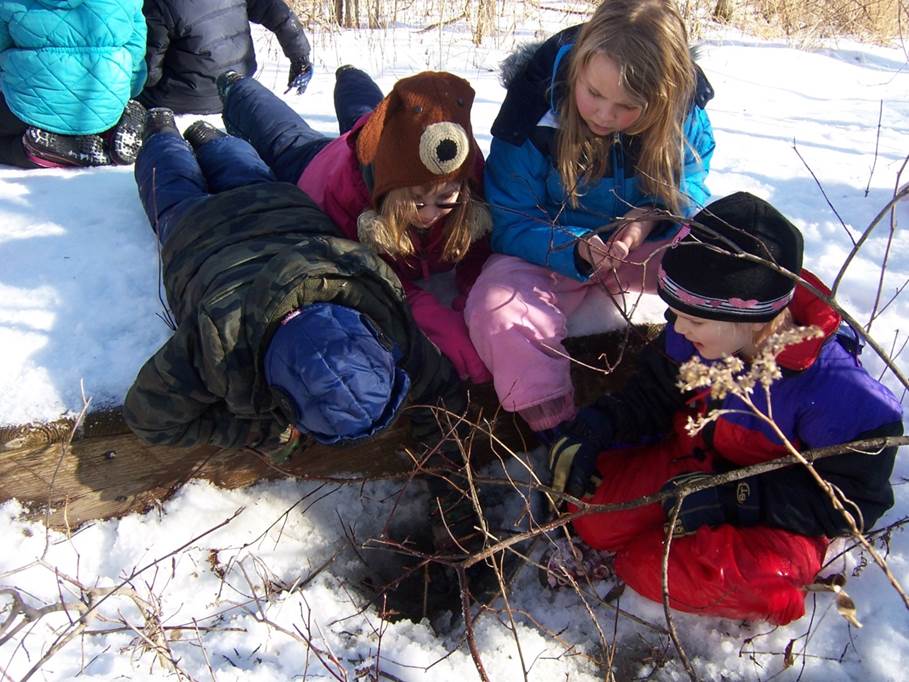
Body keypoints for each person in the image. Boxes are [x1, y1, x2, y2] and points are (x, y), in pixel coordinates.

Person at [543, 191, 903, 625]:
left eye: (691, 319)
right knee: (595, 519)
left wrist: (740, 499)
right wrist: (602, 423)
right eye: (673, 313)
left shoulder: (836, 391)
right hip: (694, 463)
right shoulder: (696, 330)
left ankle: (743, 573)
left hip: (776, 513)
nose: (676, 327)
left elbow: (859, 500)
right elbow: (657, 392)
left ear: (750, 318)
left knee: (668, 570)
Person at [124, 107, 468, 462]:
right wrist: (261, 431)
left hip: (278, 205)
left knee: (242, 169)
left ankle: (207, 139)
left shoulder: (379, 307)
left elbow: (441, 391)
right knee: (171, 185)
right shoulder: (221, 346)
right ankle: (163, 131)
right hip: (198, 230)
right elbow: (148, 419)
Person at [464, 0, 716, 437]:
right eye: (594, 94)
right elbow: (510, 216)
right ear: (578, 67)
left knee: (730, 263)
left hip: (642, 244)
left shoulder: (681, 111)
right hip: (549, 249)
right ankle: (559, 430)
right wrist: (575, 248)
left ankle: (716, 393)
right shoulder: (533, 107)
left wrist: (646, 222)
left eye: (627, 106)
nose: (604, 115)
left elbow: (692, 185)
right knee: (497, 309)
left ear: (662, 98)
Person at [214, 66, 493, 384]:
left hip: (381, 155)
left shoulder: (470, 180)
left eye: (444, 200)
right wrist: (442, 324)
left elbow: (481, 250)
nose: (430, 214)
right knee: (286, 138)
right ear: (390, 194)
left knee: (370, 116)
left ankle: (350, 75)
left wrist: (473, 292)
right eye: (416, 203)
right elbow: (382, 282)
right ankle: (239, 88)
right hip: (318, 163)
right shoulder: (347, 204)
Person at [0, 0, 148, 168]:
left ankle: (39, 150)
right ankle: (109, 130)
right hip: (106, 104)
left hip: (29, 108)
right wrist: (127, 93)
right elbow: (136, 50)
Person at [139, 0, 312, 114]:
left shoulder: (157, 3)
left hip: (182, 97)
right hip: (237, 89)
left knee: (132, 84)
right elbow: (279, 14)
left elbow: (151, 67)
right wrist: (301, 58)